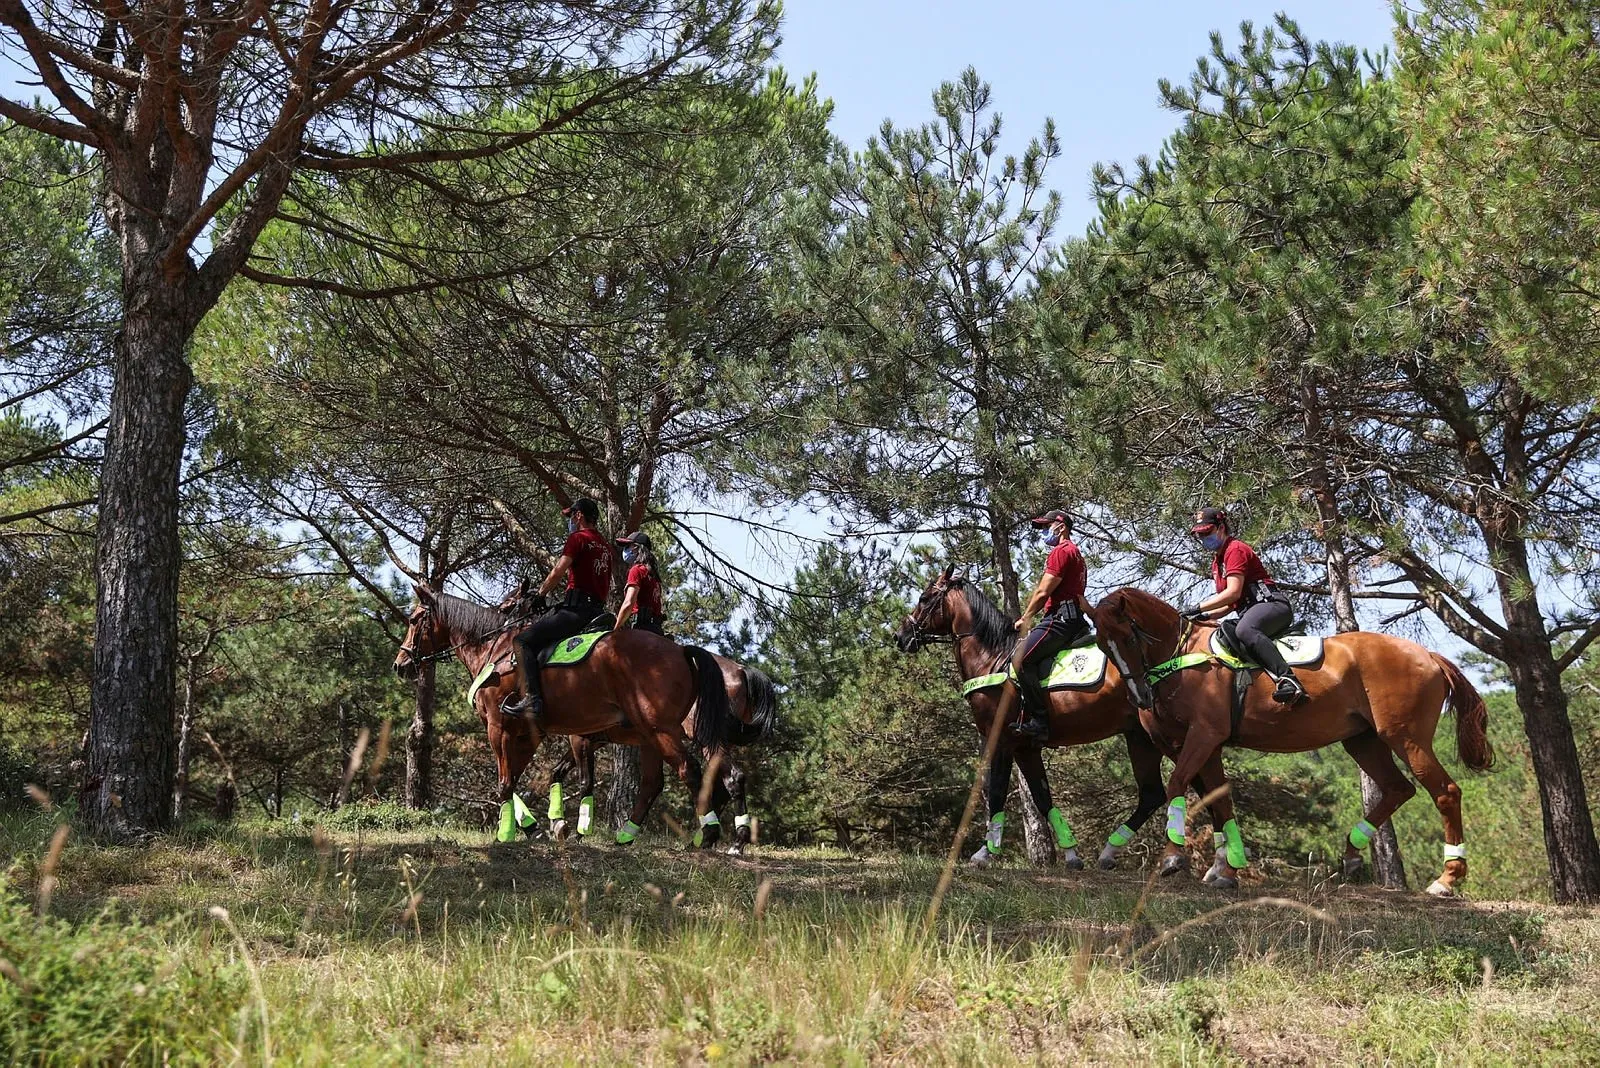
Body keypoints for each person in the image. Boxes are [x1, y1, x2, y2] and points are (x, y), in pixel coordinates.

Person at [503, 497, 614, 721]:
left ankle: (533, 699)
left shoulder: (577, 538)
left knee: (522, 641)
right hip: (597, 612)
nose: (571, 520)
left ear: (580, 515)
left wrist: (540, 594)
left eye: (572, 515)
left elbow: (558, 571)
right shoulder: (605, 546)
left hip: (576, 612)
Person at [1182, 506, 1307, 704]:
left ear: (1221, 527)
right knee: (1226, 631)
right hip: (1250, 610)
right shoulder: (1217, 562)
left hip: (1272, 605)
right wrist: (1206, 617)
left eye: (1206, 533)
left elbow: (1232, 592)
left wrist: (1198, 607)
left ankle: (1289, 680)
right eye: (1199, 535)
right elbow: (1232, 604)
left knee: (1245, 629)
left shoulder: (1235, 549)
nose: (1203, 539)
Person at [1011, 509, 1093, 743]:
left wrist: (1025, 617)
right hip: (1074, 619)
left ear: (1061, 526)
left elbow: (1043, 591)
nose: (1044, 532)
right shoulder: (1077, 554)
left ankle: (1040, 722)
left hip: (1059, 620)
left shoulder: (1061, 551)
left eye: (1047, 526)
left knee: (1020, 659)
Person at [614, 531, 665, 635]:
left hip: (642, 628)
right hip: (657, 630)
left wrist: (616, 628)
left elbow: (629, 603)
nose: (625, 550)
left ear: (637, 548)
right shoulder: (654, 577)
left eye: (628, 546)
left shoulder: (637, 570)